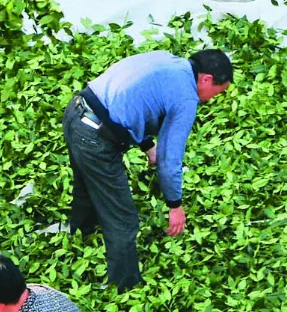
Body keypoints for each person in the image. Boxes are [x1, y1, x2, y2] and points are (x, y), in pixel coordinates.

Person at [64, 48, 233, 291]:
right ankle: (125, 289)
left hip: (75, 112)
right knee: (124, 220)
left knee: (87, 186)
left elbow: (136, 102)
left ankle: (80, 234)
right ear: (206, 79)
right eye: (218, 92)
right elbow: (170, 162)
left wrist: (147, 146)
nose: (212, 98)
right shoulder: (186, 97)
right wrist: (175, 205)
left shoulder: (166, 60)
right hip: (95, 137)